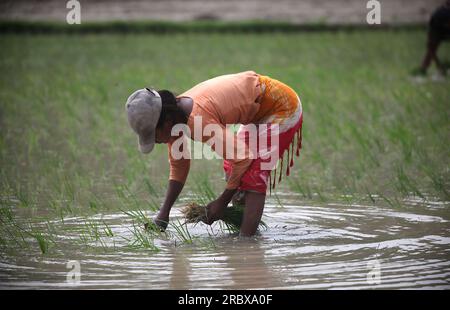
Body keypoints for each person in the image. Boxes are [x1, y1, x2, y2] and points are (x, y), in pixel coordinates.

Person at [125, 71, 303, 236]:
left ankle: (246, 246)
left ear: (166, 122)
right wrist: (163, 214)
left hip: (281, 105)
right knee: (232, 167)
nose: (156, 142)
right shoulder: (174, 117)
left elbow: (243, 158)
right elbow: (179, 165)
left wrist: (222, 201)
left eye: (153, 135)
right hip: (259, 109)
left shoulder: (198, 121)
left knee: (253, 173)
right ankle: (246, 229)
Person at [413, 0, 450, 75]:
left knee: (431, 49)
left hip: (440, 28)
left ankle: (426, 68)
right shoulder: (441, 13)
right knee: (431, 48)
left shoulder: (441, 12)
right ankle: (424, 68)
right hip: (436, 29)